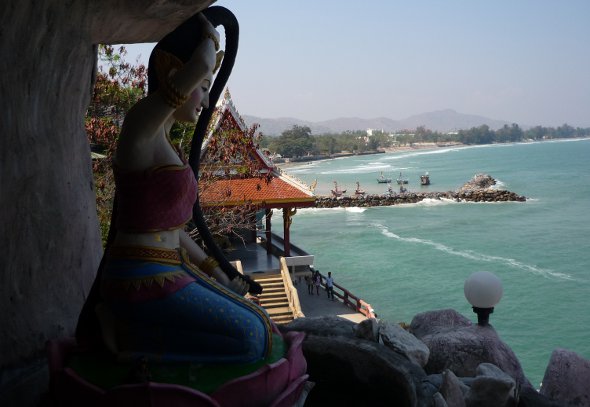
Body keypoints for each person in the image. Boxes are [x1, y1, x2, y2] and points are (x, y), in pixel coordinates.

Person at [78, 13, 273, 365]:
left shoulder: (167, 145)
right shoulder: (140, 129)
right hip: (139, 279)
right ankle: (131, 340)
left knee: (262, 324)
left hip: (169, 270)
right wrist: (212, 33)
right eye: (203, 85)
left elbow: (172, 232)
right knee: (252, 338)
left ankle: (136, 336)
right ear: (174, 76)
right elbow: (200, 61)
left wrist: (217, 272)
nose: (208, 100)